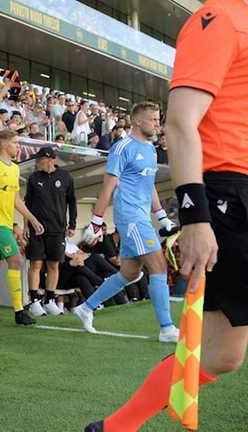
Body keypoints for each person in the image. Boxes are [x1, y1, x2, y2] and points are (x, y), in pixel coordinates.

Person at [85, 1, 248, 430]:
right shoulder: (220, 19)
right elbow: (180, 124)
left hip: (207, 200)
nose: (152, 121)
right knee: (151, 271)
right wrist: (194, 218)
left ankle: (112, 427)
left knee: (225, 355)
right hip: (227, 193)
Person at [72, 102, 180, 343]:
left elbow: (149, 184)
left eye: (158, 119)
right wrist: (96, 221)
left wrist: (162, 216)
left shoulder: (151, 150)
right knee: (159, 266)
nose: (157, 124)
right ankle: (167, 328)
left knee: (130, 272)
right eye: (153, 119)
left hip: (142, 217)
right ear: (138, 121)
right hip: (130, 217)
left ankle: (86, 307)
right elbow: (108, 185)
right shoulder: (122, 148)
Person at [0, 129, 44, 324]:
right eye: (15, 142)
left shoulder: (14, 168)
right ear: (4, 144)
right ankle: (19, 311)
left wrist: (32, 218)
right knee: (16, 260)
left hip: (5, 221)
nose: (18, 146)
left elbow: (16, 199)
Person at [24, 147, 76, 315]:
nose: (36, 162)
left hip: (58, 229)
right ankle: (33, 301)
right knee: (36, 264)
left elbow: (72, 202)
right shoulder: (33, 178)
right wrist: (26, 225)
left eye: (39, 159)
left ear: (49, 159)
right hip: (36, 229)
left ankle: (50, 299)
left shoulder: (66, 177)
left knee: (53, 264)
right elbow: (27, 204)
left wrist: (72, 224)